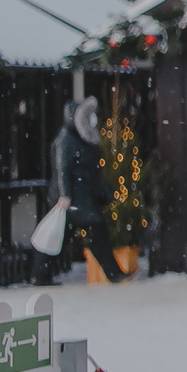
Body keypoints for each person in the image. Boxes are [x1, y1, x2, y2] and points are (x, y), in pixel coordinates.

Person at [49, 98, 126, 284]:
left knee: (63, 238)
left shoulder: (80, 139)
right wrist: (65, 195)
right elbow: (63, 169)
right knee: (94, 232)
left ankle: (40, 273)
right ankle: (114, 273)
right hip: (75, 200)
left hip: (80, 199)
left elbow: (91, 171)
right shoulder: (67, 140)